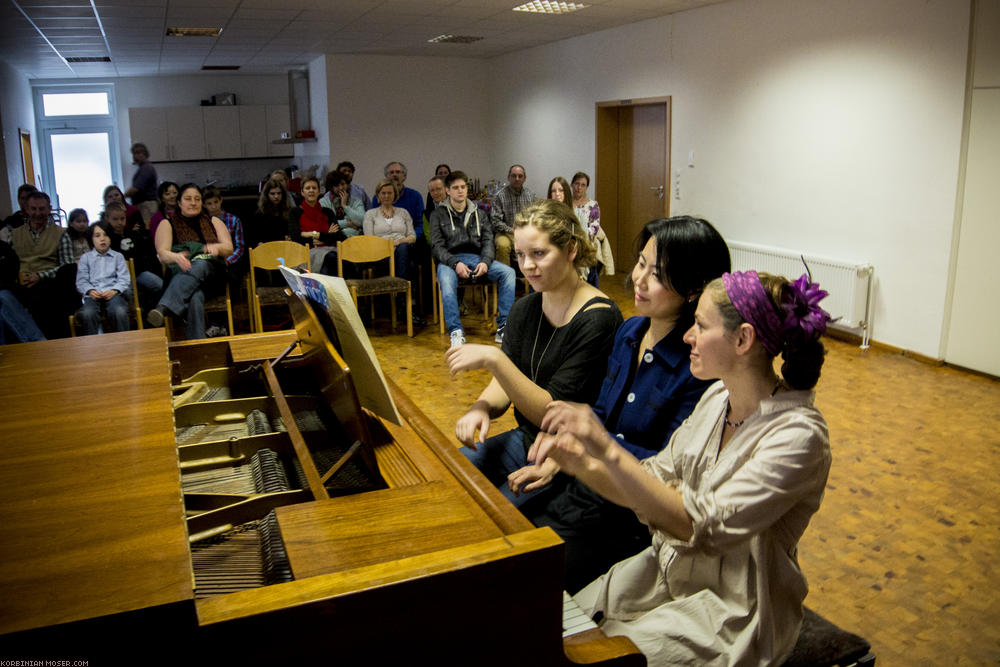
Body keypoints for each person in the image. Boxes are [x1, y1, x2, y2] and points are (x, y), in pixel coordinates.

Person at [529, 269, 833, 666]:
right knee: (555, 628)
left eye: (701, 326)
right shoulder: (715, 398)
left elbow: (701, 526)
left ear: (743, 339)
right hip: (668, 571)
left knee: (596, 656)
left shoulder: (799, 436)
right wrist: (581, 462)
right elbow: (653, 481)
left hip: (733, 611)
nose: (688, 336)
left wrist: (605, 447)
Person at [512, 216, 731, 593]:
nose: (637, 279)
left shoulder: (699, 366)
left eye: (656, 274)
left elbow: (667, 466)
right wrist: (561, 457)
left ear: (693, 289)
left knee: (530, 577)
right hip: (587, 483)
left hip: (631, 516)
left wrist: (590, 445)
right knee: (503, 533)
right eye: (641, 263)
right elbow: (601, 411)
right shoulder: (630, 332)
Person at [446, 199, 622, 508]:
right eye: (520, 255)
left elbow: (550, 414)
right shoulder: (526, 307)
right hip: (528, 439)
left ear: (571, 249)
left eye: (539, 254)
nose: (527, 266)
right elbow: (507, 380)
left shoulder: (599, 318)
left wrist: (494, 359)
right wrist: (482, 407)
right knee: (452, 477)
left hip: (570, 454)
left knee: (496, 512)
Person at [429, 171, 515, 348]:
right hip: (449, 261)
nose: (460, 191)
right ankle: (456, 331)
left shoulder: (480, 214)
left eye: (463, 187)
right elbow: (437, 247)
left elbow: (488, 241)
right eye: (455, 188)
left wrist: (485, 261)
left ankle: (503, 327)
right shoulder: (438, 215)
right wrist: (455, 263)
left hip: (477, 258)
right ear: (447, 191)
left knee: (508, 272)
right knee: (446, 283)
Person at [148, 183, 233, 339]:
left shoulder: (214, 221)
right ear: (179, 202)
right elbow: (162, 253)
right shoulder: (167, 224)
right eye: (188, 199)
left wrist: (215, 248)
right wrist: (176, 257)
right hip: (181, 274)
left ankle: (163, 307)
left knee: (201, 263)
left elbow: (228, 247)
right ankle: (198, 346)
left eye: (197, 199)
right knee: (195, 296)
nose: (193, 203)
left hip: (213, 280)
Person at [11, 191, 76, 338]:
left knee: (47, 297)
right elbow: (11, 264)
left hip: (50, 284)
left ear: (49, 209)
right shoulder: (14, 234)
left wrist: (40, 276)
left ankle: (44, 342)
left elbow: (68, 266)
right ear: (26, 209)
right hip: (22, 285)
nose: (37, 213)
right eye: (33, 209)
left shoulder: (61, 233)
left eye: (42, 209)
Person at [74, 220, 131, 335]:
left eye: (106, 235)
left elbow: (124, 279)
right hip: (93, 296)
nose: (102, 239)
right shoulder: (85, 258)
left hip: (113, 294)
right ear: (91, 239)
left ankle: (124, 343)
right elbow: (81, 280)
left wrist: (114, 290)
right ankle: (93, 347)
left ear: (110, 237)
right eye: (97, 235)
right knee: (87, 313)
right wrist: (90, 291)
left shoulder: (118, 257)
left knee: (119, 311)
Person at [105, 201, 162, 313]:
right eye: (115, 219)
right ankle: (134, 318)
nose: (119, 222)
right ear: (107, 218)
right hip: (121, 277)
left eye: (122, 219)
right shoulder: (107, 238)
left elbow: (141, 254)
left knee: (159, 285)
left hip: (139, 272)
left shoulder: (131, 233)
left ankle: (151, 312)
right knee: (128, 293)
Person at [289, 176, 345, 274]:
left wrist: (312, 234)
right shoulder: (295, 212)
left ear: (319, 192)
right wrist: (327, 235)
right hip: (306, 255)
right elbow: (296, 237)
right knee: (331, 260)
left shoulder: (328, 212)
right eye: (308, 188)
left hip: (331, 251)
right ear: (302, 192)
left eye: (314, 188)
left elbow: (338, 236)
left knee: (336, 259)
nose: (311, 191)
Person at [364, 179, 415, 279]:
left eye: (389, 193)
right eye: (383, 193)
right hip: (380, 251)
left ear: (395, 194)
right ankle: (402, 290)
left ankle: (401, 289)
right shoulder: (370, 214)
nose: (386, 196)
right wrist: (388, 245)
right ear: (378, 195)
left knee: (403, 248)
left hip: (402, 248)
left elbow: (412, 237)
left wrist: (398, 242)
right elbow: (369, 239)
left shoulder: (403, 212)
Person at [490, 164, 536, 267]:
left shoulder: (531, 196)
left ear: (525, 178)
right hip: (505, 233)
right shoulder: (500, 196)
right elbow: (495, 222)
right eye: (513, 176)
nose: (517, 179)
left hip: (525, 233)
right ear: (508, 177)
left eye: (520, 176)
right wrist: (512, 231)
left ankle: (529, 280)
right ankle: (505, 278)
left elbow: (535, 218)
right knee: (502, 245)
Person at [0, 240, 45, 344]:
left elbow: (13, 268)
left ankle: (37, 343)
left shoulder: (3, 246)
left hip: (6, 288)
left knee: (3, 297)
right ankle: (37, 342)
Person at [571, 172, 611, 287]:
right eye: (577, 184)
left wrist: (581, 243)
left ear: (586, 187)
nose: (579, 188)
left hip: (586, 244)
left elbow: (593, 229)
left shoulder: (593, 205)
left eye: (583, 185)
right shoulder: (566, 203)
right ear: (571, 185)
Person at [203, 187, 246, 278]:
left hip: (231, 259)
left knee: (233, 275)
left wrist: (228, 261)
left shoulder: (234, 220)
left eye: (216, 202)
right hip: (211, 259)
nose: (214, 206)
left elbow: (240, 247)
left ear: (221, 200)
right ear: (204, 205)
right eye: (209, 204)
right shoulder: (203, 222)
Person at [247, 178, 292, 248]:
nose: (276, 196)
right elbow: (252, 237)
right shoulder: (259, 214)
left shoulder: (288, 212)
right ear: (266, 195)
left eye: (279, 193)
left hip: (284, 249)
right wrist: (258, 243)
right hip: (265, 250)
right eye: (272, 194)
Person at [320, 170, 364, 237]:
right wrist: (348, 223)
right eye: (337, 185)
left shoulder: (356, 201)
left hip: (354, 239)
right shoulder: (323, 202)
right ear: (331, 187)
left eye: (343, 184)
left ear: (347, 184)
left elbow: (361, 221)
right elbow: (326, 223)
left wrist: (345, 206)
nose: (341, 188)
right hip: (332, 239)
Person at [124, 143, 158, 225]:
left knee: (147, 229)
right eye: (134, 154)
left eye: (138, 153)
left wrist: (122, 196)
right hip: (145, 205)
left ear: (145, 154)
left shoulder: (146, 168)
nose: (135, 156)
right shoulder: (143, 168)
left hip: (146, 206)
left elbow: (136, 188)